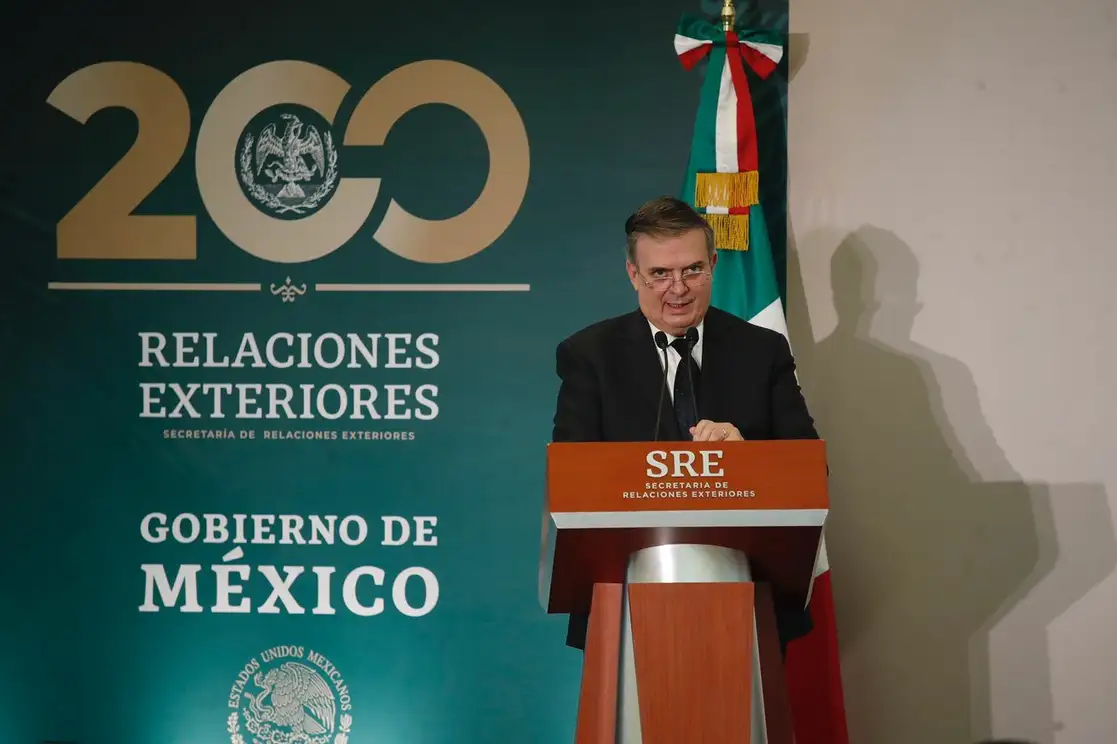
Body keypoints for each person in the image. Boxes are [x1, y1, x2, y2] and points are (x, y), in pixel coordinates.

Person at [550, 195, 820, 655]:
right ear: (634, 274)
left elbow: (810, 468)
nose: (679, 288)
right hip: (625, 605)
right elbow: (573, 480)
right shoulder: (590, 356)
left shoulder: (762, 352)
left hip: (748, 599)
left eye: (693, 270)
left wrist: (748, 456)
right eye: (660, 274)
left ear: (714, 264)